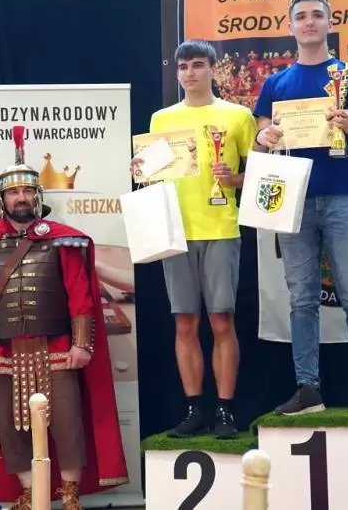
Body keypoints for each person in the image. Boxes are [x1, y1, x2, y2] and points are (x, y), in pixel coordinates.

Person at [0, 128, 128, 510]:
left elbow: (80, 296)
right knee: (10, 429)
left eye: (27, 191)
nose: (20, 198)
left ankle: (69, 495)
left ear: (38, 196)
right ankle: (27, 493)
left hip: (56, 348)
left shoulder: (63, 240)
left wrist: (81, 345)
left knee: (67, 424)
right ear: (3, 199)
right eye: (13, 192)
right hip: (2, 352)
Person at [253, 0, 348, 416]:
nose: (309, 22)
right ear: (290, 26)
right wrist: (264, 135)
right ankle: (307, 387)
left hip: (344, 197)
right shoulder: (275, 83)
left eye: (316, 14)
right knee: (301, 299)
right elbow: (258, 144)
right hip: (293, 200)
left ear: (330, 22)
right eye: (301, 16)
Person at [131, 40, 256, 439]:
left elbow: (260, 174)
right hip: (175, 231)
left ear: (213, 69)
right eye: (184, 66)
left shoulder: (238, 116)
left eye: (198, 65)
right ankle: (194, 408)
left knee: (222, 320)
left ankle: (226, 410)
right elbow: (154, 174)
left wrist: (233, 179)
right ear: (177, 72)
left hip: (221, 228)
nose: (190, 73)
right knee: (184, 322)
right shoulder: (162, 119)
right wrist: (140, 170)